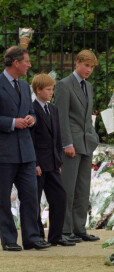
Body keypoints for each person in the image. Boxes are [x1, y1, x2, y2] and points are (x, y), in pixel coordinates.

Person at [0, 46, 51, 251]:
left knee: (31, 195)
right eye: (26, 61)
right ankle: (9, 239)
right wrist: (12, 122)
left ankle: (31, 237)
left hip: (26, 152)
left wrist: (32, 118)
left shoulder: (23, 85)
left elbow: (32, 112)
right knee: (3, 197)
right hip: (5, 152)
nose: (29, 65)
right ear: (16, 63)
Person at [54, 50, 99, 242]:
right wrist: (67, 143)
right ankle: (65, 230)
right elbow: (61, 117)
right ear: (77, 62)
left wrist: (92, 137)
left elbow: (87, 117)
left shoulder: (88, 86)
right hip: (71, 144)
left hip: (86, 143)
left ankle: (80, 228)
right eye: (86, 65)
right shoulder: (64, 85)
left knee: (83, 188)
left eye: (91, 67)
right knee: (68, 188)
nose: (89, 70)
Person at [31, 74, 75, 247]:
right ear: (38, 90)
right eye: (48, 90)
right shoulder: (32, 110)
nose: (51, 93)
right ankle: (38, 236)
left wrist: (58, 162)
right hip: (39, 164)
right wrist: (34, 163)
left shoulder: (53, 109)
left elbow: (57, 138)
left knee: (60, 197)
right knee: (34, 200)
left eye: (52, 89)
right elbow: (31, 139)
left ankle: (55, 236)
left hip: (52, 163)